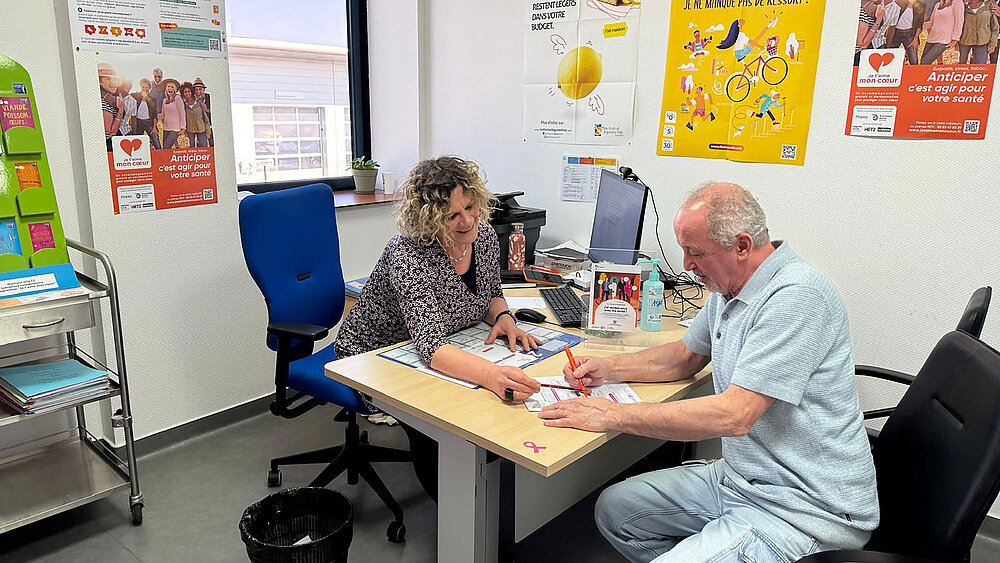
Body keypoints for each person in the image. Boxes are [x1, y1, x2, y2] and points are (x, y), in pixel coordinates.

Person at [539, 182, 878, 562]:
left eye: (696, 252)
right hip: (742, 480)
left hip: (802, 509)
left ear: (742, 246)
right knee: (616, 511)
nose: (686, 265)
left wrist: (611, 414)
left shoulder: (797, 296)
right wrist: (607, 368)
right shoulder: (730, 288)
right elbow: (686, 356)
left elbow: (734, 415)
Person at [335, 156, 543, 500]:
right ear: (428, 219)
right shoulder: (407, 254)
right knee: (435, 426)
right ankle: (458, 514)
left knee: (485, 411)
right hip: (376, 354)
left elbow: (491, 293)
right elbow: (431, 346)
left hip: (447, 340)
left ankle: (495, 500)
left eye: (470, 207)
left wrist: (504, 318)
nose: (467, 220)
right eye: (451, 215)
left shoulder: (484, 235)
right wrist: (492, 375)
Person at [920, 0, 964, 65]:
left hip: (944, 39)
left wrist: (955, 39)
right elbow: (931, 22)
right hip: (932, 37)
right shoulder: (937, 4)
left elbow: (959, 22)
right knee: (922, 63)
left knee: (924, 62)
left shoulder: (957, 2)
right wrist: (918, 27)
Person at [957, 0, 999, 64]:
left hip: (982, 42)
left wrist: (993, 43)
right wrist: (956, 40)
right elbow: (956, 24)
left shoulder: (989, 6)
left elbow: (995, 27)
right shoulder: (961, 5)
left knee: (980, 65)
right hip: (964, 40)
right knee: (961, 64)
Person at [98, 63, 124, 152]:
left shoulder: (109, 98)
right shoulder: (103, 102)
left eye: (114, 79)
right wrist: (120, 110)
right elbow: (111, 132)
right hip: (108, 146)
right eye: (108, 78)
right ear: (100, 82)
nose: (113, 82)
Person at [886, 0, 920, 64]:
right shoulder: (899, 3)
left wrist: (915, 38)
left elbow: (919, 25)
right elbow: (891, 24)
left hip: (909, 35)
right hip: (896, 33)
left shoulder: (920, 6)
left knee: (914, 60)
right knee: (889, 55)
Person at [131, 78, 160, 149]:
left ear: (149, 88)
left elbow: (154, 115)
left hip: (149, 123)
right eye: (143, 87)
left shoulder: (152, 100)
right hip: (138, 123)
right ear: (140, 86)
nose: (144, 89)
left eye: (146, 87)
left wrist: (154, 128)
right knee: (137, 145)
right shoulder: (135, 96)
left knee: (157, 144)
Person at [180, 81, 210, 148]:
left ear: (191, 91)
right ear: (183, 93)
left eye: (189, 91)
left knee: (203, 147)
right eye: (185, 92)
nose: (187, 93)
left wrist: (208, 130)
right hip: (190, 130)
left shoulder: (199, 102)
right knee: (192, 148)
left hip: (201, 129)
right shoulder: (183, 105)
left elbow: (205, 118)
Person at [157, 78, 185, 149]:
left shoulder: (177, 98)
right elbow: (163, 115)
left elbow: (182, 113)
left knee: (166, 147)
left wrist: (183, 128)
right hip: (166, 127)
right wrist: (154, 115)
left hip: (175, 129)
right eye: (168, 86)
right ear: (166, 88)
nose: (170, 88)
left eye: (172, 87)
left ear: (175, 89)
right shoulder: (164, 100)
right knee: (165, 148)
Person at [192, 77, 213, 146]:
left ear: (204, 89)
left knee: (212, 144)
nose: (198, 92)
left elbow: (218, 112)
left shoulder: (210, 98)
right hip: (200, 128)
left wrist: (207, 110)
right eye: (196, 90)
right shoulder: (193, 101)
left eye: (200, 89)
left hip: (211, 126)